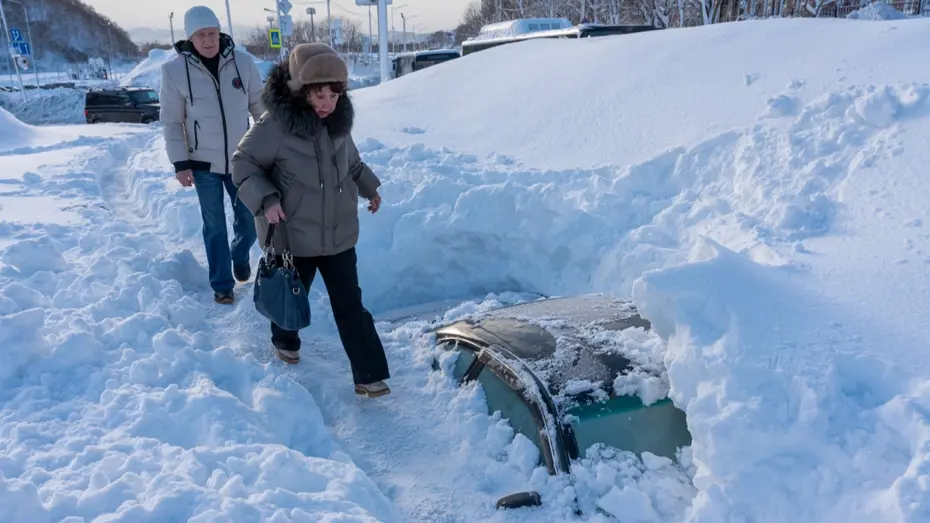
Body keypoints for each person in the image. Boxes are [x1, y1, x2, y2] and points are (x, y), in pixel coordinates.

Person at [231, 43, 391, 398]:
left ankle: (368, 375)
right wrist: (267, 199)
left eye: (334, 95)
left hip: (338, 233)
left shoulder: (338, 124)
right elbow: (242, 164)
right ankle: (284, 339)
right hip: (294, 235)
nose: (327, 104)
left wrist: (370, 188)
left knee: (350, 305)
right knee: (291, 295)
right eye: (319, 95)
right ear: (300, 90)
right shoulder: (275, 126)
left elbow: (351, 163)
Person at [159, 5, 265, 304]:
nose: (208, 40)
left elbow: (260, 108)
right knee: (214, 224)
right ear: (190, 38)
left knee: (249, 220)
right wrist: (180, 163)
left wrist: (271, 147)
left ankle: (239, 254)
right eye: (201, 35)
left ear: (220, 33)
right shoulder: (174, 71)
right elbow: (172, 122)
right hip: (202, 163)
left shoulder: (242, 63)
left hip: (242, 161)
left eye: (212, 33)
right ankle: (222, 285)